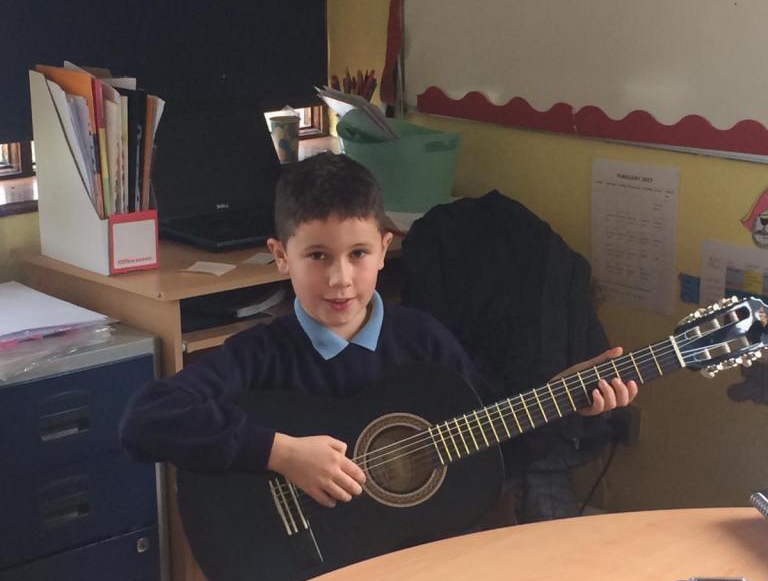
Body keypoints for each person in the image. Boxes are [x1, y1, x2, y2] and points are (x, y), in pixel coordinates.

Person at [120, 153, 637, 510]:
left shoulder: (424, 341)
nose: (340, 278)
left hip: (402, 558)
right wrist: (281, 453)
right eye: (317, 256)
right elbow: (145, 419)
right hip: (298, 574)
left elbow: (491, 452)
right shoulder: (261, 354)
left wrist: (561, 402)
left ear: (385, 248)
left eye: (358, 254)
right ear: (280, 256)